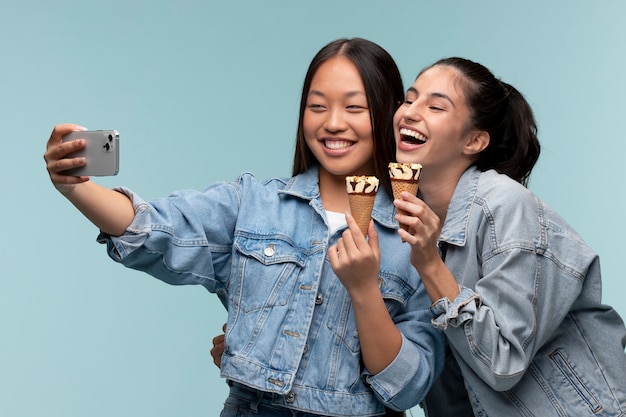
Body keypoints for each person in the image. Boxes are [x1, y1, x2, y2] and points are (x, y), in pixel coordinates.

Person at [44, 38, 445, 416]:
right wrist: (76, 189)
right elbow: (157, 229)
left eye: (354, 108)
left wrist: (364, 291)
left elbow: (409, 386)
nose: (333, 123)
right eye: (317, 106)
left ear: (389, 113)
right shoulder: (255, 204)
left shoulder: (417, 238)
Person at [392, 57, 626, 416]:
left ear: (474, 140)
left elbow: (503, 362)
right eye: (409, 100)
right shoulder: (402, 224)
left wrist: (429, 264)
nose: (410, 112)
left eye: (435, 106)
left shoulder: (504, 206)